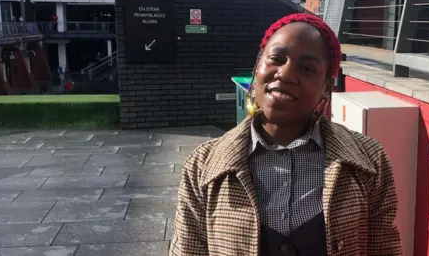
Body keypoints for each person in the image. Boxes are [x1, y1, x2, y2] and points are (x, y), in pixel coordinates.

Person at [170, 13, 402, 256]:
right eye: (276, 59)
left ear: (326, 86)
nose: (286, 74)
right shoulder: (201, 167)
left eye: (306, 68)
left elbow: (384, 248)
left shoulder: (370, 161)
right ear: (257, 67)